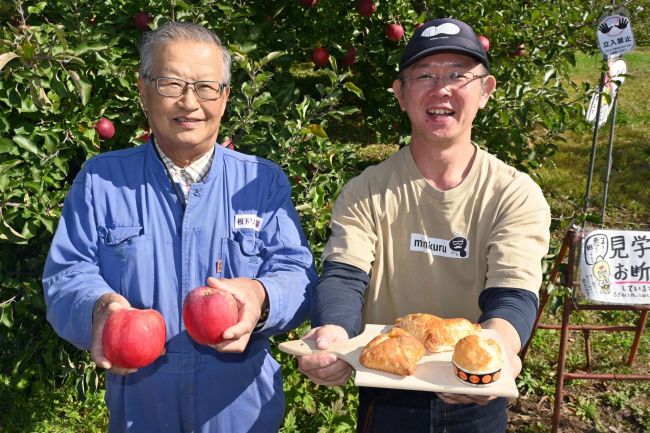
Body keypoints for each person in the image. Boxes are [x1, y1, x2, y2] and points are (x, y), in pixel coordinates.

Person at [42, 22, 316, 433]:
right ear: (143, 90)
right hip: (140, 407)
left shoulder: (262, 182)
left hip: (242, 408)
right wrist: (100, 308)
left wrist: (261, 297)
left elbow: (299, 276)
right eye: (171, 84)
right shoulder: (102, 180)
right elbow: (67, 274)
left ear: (224, 98)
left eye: (206, 87)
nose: (190, 103)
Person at [297, 17, 551, 433]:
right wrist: (333, 335)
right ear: (400, 93)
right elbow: (344, 275)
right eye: (424, 76)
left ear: (486, 91)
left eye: (458, 75)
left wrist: (493, 353)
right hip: (388, 390)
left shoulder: (514, 194)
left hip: (476, 399)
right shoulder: (367, 190)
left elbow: (513, 293)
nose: (442, 89)